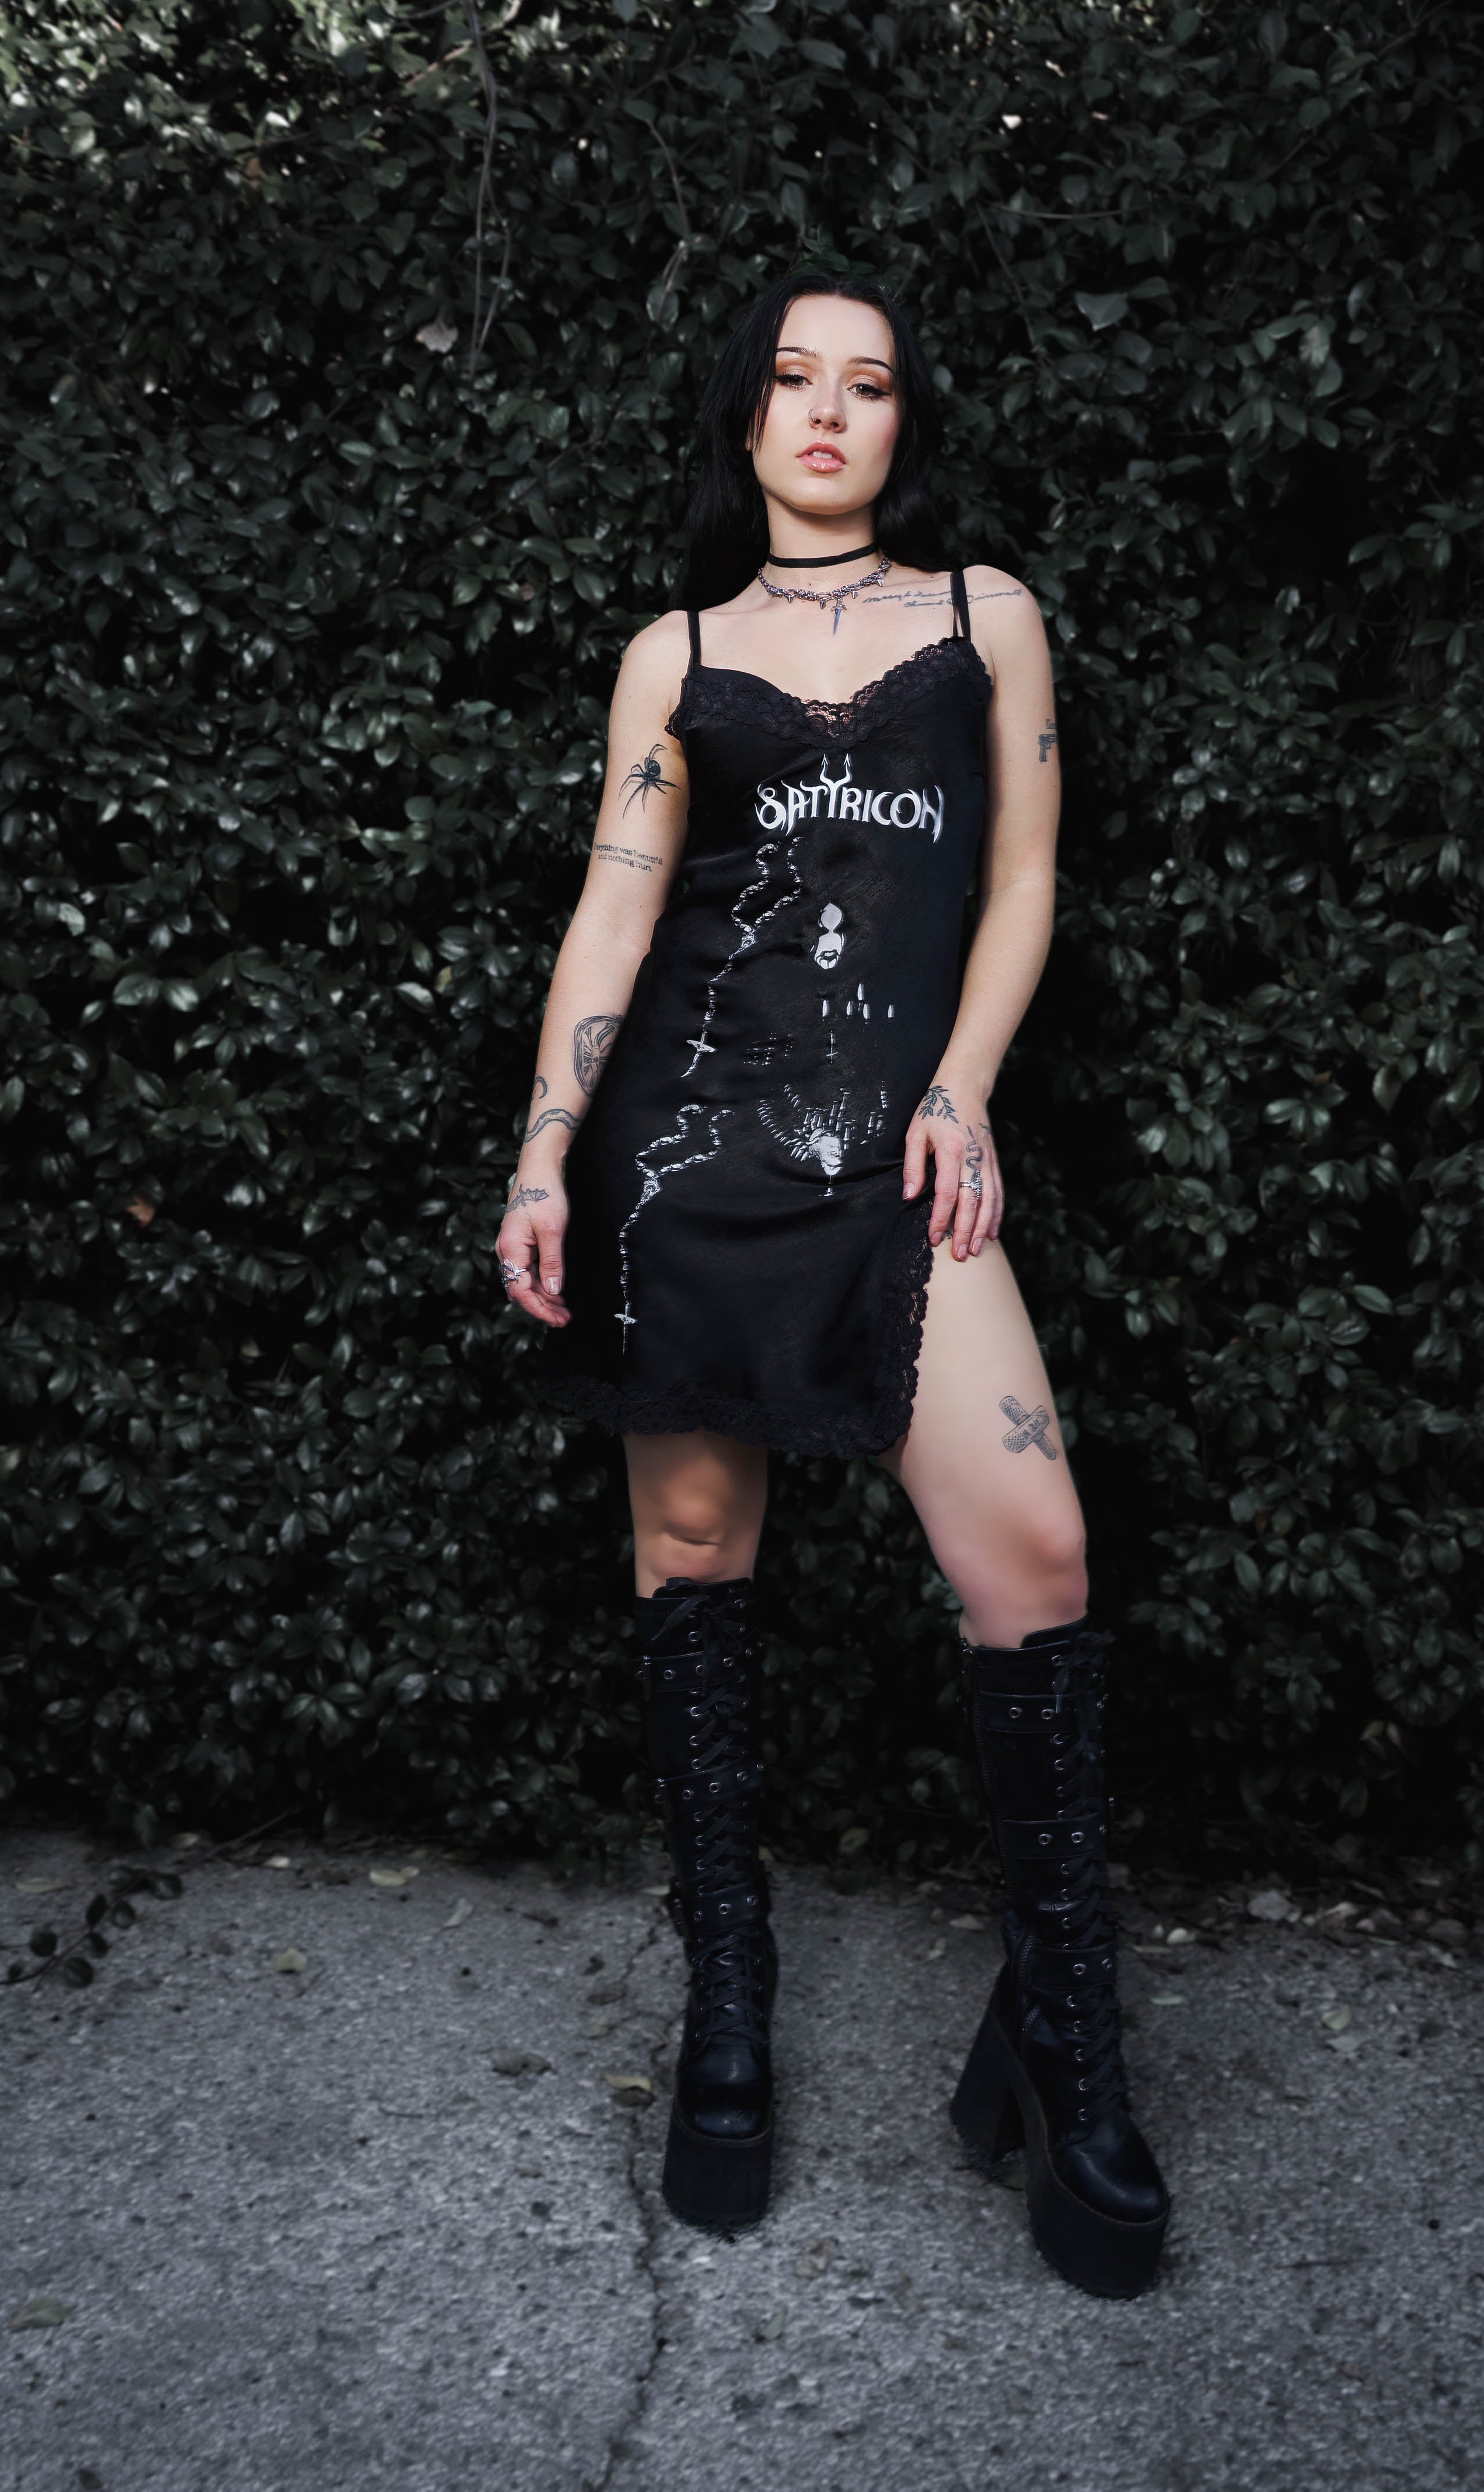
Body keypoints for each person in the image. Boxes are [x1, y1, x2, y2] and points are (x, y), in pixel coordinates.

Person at [493, 268, 1168, 2298]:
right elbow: (617, 915)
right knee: (696, 1561)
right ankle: (730, 2010)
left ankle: (1062, 2039)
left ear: (901, 426)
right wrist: (545, 1145)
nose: (825, 411)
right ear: (746, 417)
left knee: (1036, 1551)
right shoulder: (678, 655)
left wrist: (961, 1092)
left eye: (867, 386)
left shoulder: (984, 617)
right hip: (688, 1169)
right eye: (793, 378)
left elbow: (1025, 877)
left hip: (897, 1161)